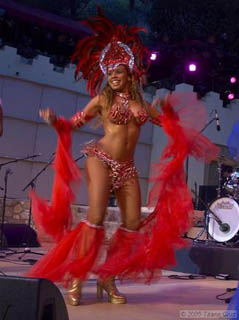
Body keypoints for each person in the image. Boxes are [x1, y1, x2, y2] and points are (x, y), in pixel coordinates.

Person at [26, 9, 219, 306]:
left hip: (127, 168)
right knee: (96, 217)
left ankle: (107, 276)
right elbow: (71, 124)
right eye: (109, 73)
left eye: (118, 72)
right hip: (100, 158)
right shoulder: (101, 100)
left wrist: (166, 110)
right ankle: (77, 277)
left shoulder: (142, 105)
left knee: (131, 223)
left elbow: (169, 125)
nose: (113, 77)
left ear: (129, 72)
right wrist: (55, 121)